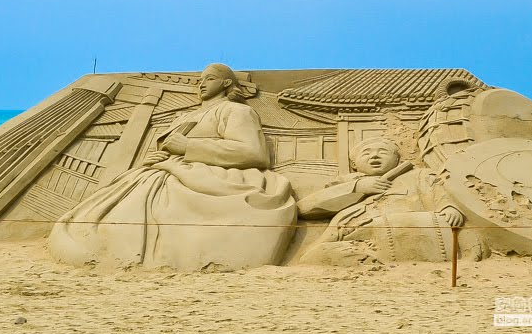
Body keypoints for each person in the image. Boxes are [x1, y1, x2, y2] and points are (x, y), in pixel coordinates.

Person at [48, 63, 296, 270]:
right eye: (199, 79)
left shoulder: (235, 111)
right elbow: (169, 149)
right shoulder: (185, 116)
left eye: (209, 78)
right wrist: (155, 159)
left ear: (226, 83)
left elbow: (254, 153)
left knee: (163, 204)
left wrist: (188, 146)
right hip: (167, 170)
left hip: (213, 174)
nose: (201, 83)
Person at [296, 137, 488, 264]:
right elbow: (305, 208)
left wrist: (448, 208)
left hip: (398, 234)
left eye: (382, 151)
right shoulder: (344, 182)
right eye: (366, 153)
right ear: (354, 164)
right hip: (344, 234)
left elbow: (437, 193)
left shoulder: (417, 176)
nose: (374, 156)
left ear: (397, 159)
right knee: (314, 256)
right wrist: (357, 188)